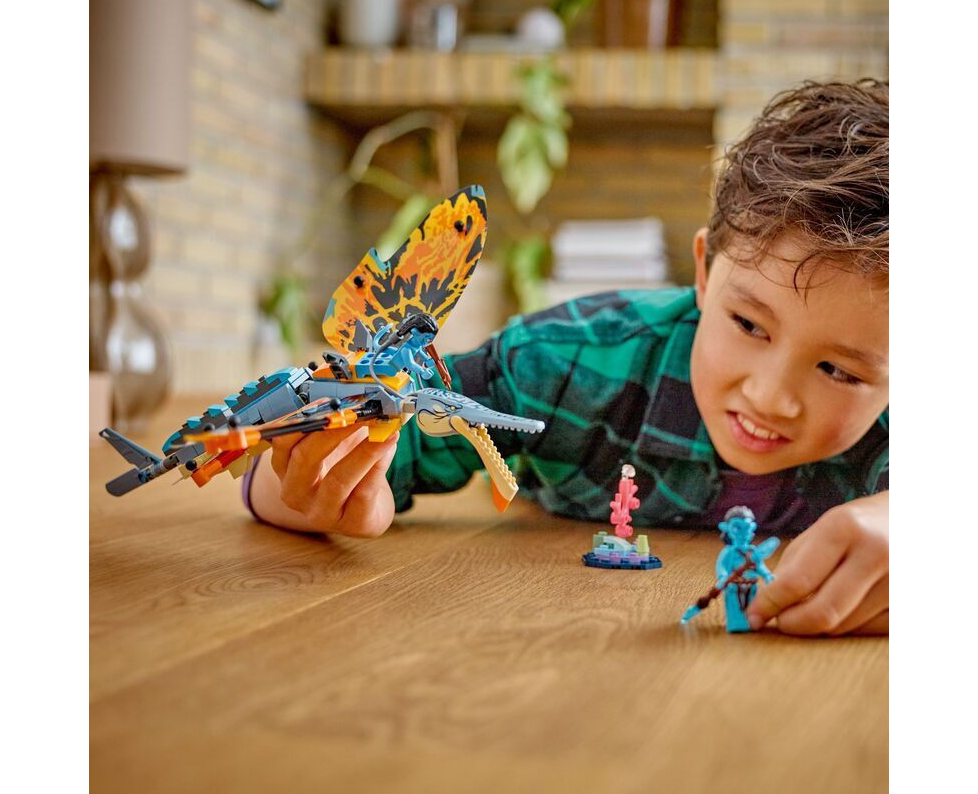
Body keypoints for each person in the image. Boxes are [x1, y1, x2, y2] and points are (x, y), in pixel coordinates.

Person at [245, 79, 889, 637]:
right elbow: (283, 465)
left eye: (841, 370)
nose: (771, 397)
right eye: (748, 324)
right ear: (703, 271)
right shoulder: (559, 363)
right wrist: (313, 486)